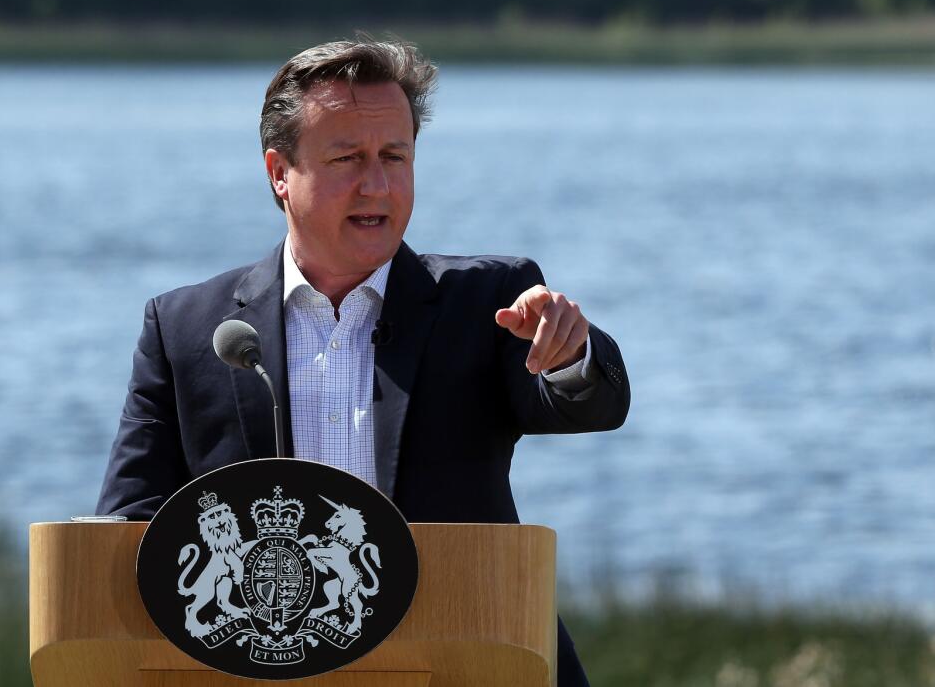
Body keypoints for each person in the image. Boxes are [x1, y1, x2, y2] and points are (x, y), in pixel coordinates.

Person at [96, 37, 630, 686]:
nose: (376, 184)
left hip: (470, 668)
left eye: (394, 157)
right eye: (348, 158)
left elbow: (587, 404)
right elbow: (127, 529)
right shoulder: (187, 329)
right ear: (279, 173)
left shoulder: (486, 303)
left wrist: (569, 354)